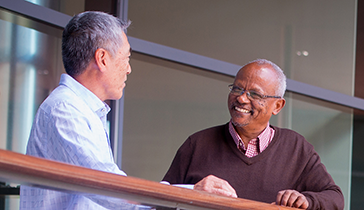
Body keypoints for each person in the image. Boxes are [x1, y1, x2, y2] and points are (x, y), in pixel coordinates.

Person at [162, 59, 345, 210]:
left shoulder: (297, 148)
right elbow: (158, 201)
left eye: (255, 94)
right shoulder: (197, 144)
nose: (241, 98)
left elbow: (335, 198)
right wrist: (191, 191)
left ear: (278, 106)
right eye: (237, 89)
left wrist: (306, 200)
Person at [19, 11, 149, 210]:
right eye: (126, 57)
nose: (129, 69)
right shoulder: (64, 108)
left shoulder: (83, 110)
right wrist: (179, 195)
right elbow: (104, 184)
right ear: (103, 58)